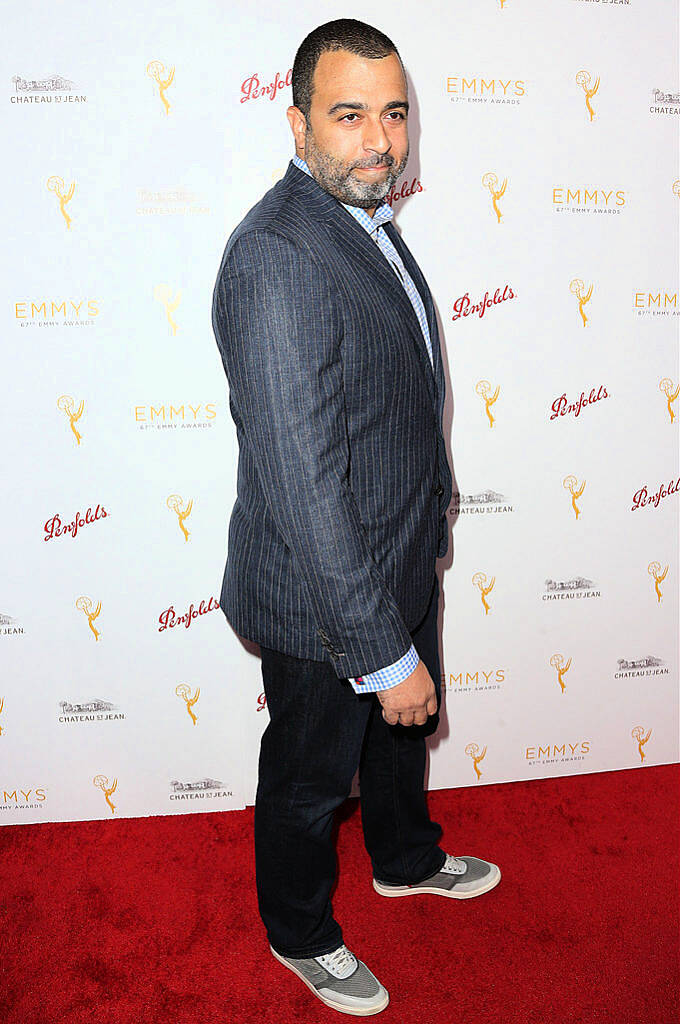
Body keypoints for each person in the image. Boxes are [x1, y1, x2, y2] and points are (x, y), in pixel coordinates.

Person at [211, 18, 501, 1017]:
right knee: (306, 777)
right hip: (320, 595)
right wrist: (382, 652)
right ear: (296, 124)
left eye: (392, 112)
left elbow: (391, 396)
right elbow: (302, 483)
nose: (379, 139)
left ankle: (403, 858)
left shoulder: (361, 219)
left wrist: (422, 536)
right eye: (347, 115)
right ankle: (298, 930)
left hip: (394, 553)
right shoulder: (276, 259)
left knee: (396, 742)